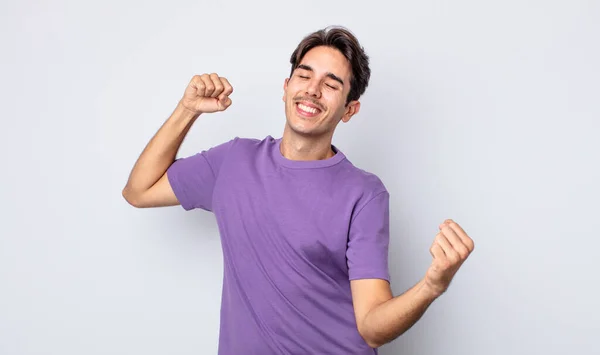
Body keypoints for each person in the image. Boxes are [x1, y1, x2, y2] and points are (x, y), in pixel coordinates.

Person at [122, 26, 474, 354]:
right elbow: (139, 191)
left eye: (331, 84)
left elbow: (371, 326)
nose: (312, 90)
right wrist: (187, 110)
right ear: (286, 86)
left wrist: (432, 285)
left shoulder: (364, 194)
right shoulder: (233, 161)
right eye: (304, 75)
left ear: (349, 110)